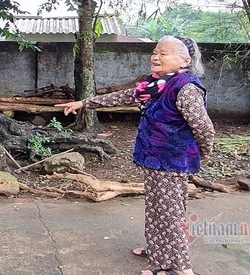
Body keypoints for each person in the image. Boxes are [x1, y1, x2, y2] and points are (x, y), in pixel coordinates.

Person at [56, 35, 215, 275]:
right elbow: (124, 96)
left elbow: (204, 128)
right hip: (155, 159)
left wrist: (203, 153)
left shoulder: (186, 88)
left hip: (171, 161)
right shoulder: (156, 85)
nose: (156, 57)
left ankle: (180, 269)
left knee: (170, 214)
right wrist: (84, 103)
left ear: (184, 61)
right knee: (155, 209)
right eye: (155, 52)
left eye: (164, 53)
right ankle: (159, 250)